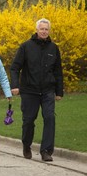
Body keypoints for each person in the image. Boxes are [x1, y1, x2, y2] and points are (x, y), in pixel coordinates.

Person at [10, 18, 64, 162]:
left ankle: (46, 151)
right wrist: (15, 85)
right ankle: (26, 145)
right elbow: (15, 68)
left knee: (49, 117)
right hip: (29, 90)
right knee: (28, 120)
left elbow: (58, 71)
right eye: (42, 29)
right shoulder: (26, 47)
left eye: (46, 29)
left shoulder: (54, 48)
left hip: (47, 90)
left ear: (49, 31)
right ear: (36, 30)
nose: (44, 31)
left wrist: (59, 91)